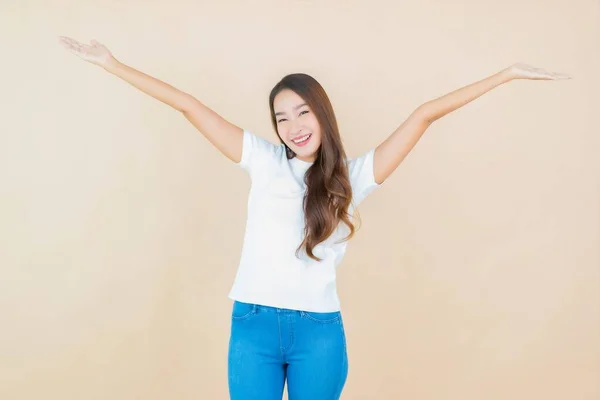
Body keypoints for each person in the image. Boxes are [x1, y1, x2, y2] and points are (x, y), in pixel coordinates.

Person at [58, 36, 571, 400]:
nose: (293, 126)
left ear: (322, 114)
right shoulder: (262, 161)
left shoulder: (354, 177)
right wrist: (112, 64)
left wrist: (506, 75)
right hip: (253, 328)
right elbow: (189, 106)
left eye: (303, 112)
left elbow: (423, 115)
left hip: (319, 336)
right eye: (282, 117)